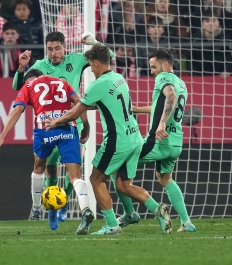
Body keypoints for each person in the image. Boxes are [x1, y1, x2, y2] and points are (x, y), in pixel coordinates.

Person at [45, 44, 172, 235]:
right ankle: (157, 210)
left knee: (95, 179)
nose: (91, 70)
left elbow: (74, 113)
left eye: (90, 65)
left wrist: (55, 121)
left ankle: (112, 224)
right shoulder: (118, 77)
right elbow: (105, 103)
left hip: (117, 142)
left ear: (96, 63)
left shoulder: (96, 85)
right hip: (135, 138)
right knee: (123, 184)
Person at [12, 31, 114, 228]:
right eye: (50, 49)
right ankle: (52, 208)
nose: (53, 53)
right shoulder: (40, 66)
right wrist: (21, 67)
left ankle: (64, 202)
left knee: (74, 165)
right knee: (50, 169)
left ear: (64, 47)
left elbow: (106, 56)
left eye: (57, 48)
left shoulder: (76, 60)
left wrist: (94, 42)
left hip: (72, 122)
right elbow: (19, 87)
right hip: (49, 125)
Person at [0, 69, 94, 234]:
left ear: (29, 80)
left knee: (39, 167)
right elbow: (78, 102)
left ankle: (37, 208)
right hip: (67, 129)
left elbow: (17, 111)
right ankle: (86, 209)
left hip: (44, 129)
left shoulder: (29, 85)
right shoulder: (62, 82)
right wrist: (86, 126)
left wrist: (2, 137)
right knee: (75, 176)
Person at [114, 49, 196, 233]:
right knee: (165, 178)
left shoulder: (163, 77)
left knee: (116, 168)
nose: (151, 71)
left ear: (165, 65)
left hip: (158, 141)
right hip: (175, 143)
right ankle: (186, 222)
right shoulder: (182, 83)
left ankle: (130, 214)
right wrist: (137, 109)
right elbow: (163, 104)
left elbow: (170, 97)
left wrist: (161, 124)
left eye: (153, 67)